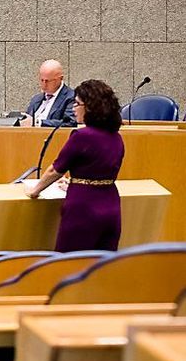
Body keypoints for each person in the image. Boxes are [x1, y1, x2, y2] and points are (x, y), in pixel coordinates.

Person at [26, 79, 125, 251]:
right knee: (101, 268)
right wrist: (74, 182)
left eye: (77, 104)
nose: (73, 108)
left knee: (70, 265)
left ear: (90, 107)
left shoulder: (82, 136)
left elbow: (55, 170)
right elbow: (97, 172)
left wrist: (35, 191)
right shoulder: (117, 138)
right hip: (111, 207)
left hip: (83, 209)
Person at [23, 59, 76, 127]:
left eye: (48, 81)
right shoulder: (36, 99)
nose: (44, 84)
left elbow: (70, 123)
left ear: (60, 79)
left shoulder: (71, 97)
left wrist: (39, 123)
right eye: (42, 80)